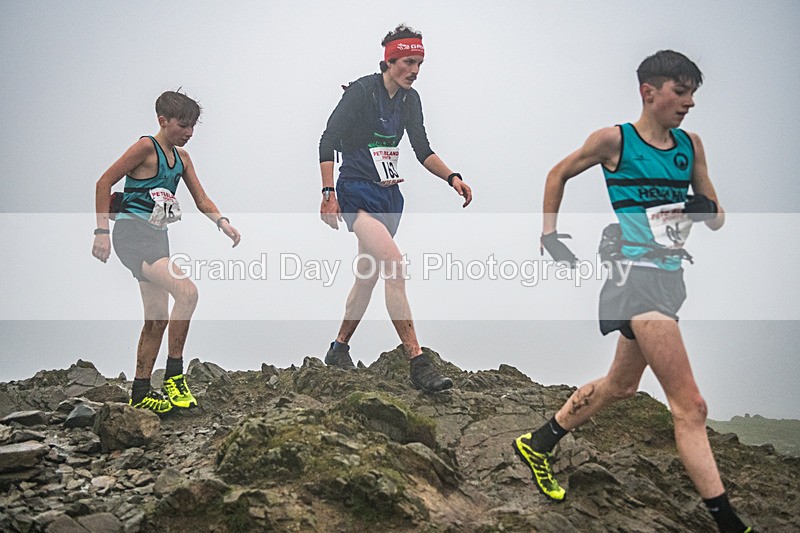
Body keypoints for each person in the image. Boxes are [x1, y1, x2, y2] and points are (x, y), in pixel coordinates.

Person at [513, 51, 757, 533]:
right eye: (680, 91)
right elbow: (556, 174)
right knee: (692, 408)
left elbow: (717, 216)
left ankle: (539, 442)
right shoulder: (614, 140)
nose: (688, 102)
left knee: (622, 386)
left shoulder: (691, 147)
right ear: (649, 91)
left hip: (668, 278)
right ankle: (729, 523)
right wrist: (549, 235)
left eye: (693, 94)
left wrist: (698, 209)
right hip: (633, 278)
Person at [318, 24, 473, 393]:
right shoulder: (361, 92)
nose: (415, 70)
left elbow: (422, 150)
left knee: (367, 275)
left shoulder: (410, 100)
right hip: (355, 191)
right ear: (390, 61)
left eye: (419, 63)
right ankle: (417, 362)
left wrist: (452, 177)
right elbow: (326, 139)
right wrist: (328, 193)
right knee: (395, 267)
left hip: (389, 198)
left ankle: (338, 348)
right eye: (408, 62)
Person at [92, 90, 241, 414]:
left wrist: (223, 223)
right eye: (183, 125)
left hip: (159, 237)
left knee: (156, 319)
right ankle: (174, 375)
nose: (188, 133)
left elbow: (202, 199)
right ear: (163, 121)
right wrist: (101, 232)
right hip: (132, 235)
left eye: (192, 127)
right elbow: (104, 182)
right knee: (187, 292)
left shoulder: (183, 159)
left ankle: (141, 392)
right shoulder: (146, 147)